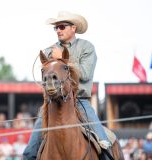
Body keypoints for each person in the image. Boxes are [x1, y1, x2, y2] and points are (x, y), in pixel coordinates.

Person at [23, 11, 112, 159]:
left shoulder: (86, 47)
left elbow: (85, 74)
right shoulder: (48, 50)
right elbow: (46, 77)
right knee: (29, 152)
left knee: (104, 145)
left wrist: (64, 60)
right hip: (52, 103)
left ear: (73, 28)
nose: (58, 30)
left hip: (80, 101)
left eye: (62, 27)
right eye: (56, 28)